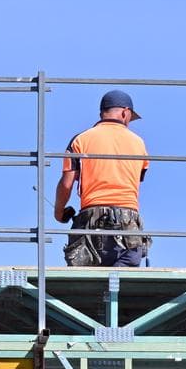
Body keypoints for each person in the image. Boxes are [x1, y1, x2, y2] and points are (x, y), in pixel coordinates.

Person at [55, 90, 150, 266]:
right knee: (125, 273)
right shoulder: (139, 143)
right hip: (128, 223)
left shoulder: (80, 140)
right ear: (125, 112)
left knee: (86, 277)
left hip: (91, 220)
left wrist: (59, 212)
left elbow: (66, 184)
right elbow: (135, 180)